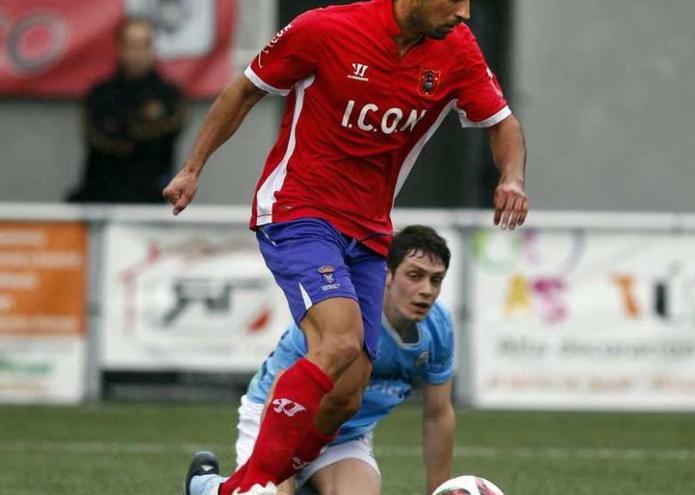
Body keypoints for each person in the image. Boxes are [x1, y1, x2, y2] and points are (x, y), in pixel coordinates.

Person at [164, 1, 529, 494]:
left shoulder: (456, 49)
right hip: (299, 209)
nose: (465, 13)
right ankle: (247, 486)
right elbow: (245, 90)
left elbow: (502, 123)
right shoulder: (325, 29)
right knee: (337, 342)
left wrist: (511, 177)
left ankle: (220, 489)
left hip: (370, 229)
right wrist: (192, 168)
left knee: (349, 393)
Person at [187, 225, 455, 495]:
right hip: (279, 421)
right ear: (386, 273)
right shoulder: (341, 318)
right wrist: (280, 474)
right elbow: (281, 392)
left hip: (345, 438)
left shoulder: (439, 327)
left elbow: (438, 413)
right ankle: (207, 486)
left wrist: (439, 490)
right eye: (414, 275)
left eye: (436, 280)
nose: (426, 290)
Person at [68, 18, 185, 204]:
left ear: (152, 49)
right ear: (120, 48)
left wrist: (123, 129)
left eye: (142, 46)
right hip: (101, 195)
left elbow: (166, 132)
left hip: (150, 197)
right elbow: (98, 137)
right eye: (131, 45)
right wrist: (138, 131)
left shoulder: (168, 95)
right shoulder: (100, 94)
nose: (137, 54)